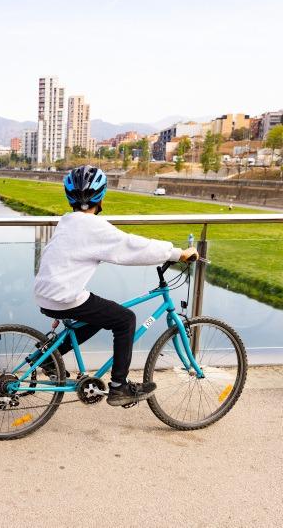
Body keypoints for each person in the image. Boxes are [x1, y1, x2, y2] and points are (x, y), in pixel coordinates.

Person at [33, 165, 198, 407]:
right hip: (63, 295)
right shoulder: (93, 226)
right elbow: (131, 246)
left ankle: (48, 357)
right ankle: (119, 387)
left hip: (47, 293)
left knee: (99, 315)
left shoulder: (67, 221)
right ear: (101, 197)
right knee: (125, 319)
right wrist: (177, 253)